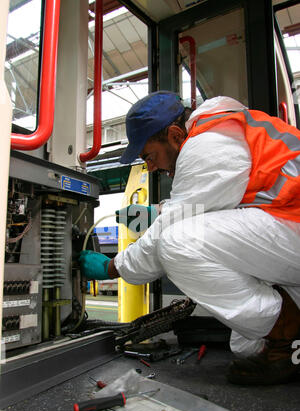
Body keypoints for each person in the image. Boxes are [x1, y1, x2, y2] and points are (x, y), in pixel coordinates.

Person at [79, 91, 300, 386]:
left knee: (176, 243)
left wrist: (111, 268)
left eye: (149, 156)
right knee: (245, 345)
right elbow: (209, 207)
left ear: (174, 135)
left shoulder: (206, 144)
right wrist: (151, 214)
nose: (150, 167)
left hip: (291, 226)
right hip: (287, 226)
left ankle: (286, 329)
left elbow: (174, 227)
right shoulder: (221, 131)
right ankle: (284, 332)